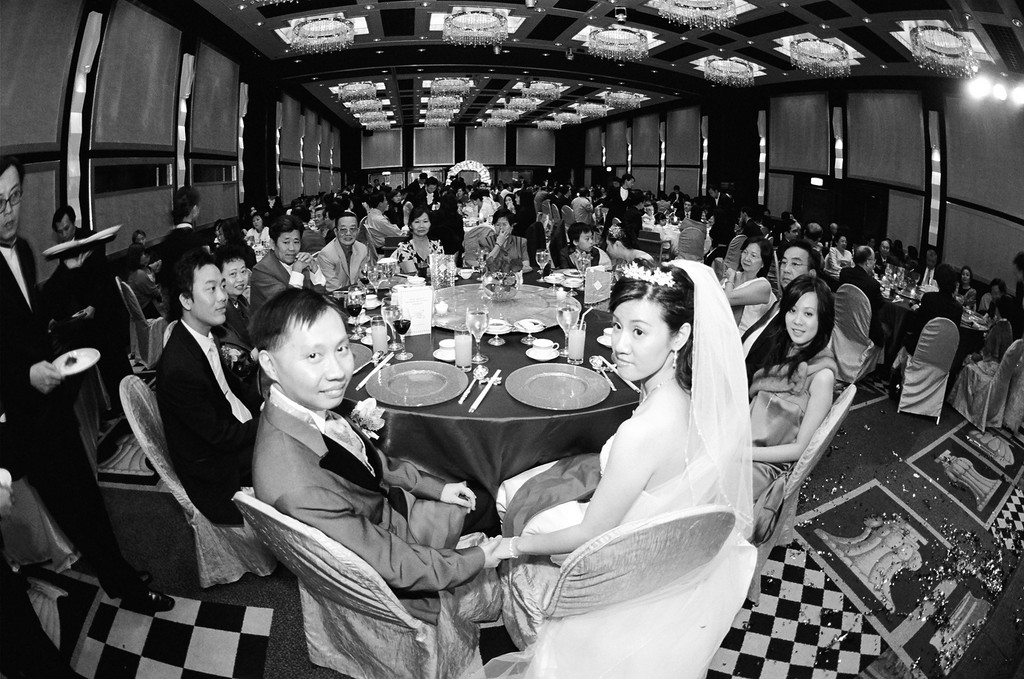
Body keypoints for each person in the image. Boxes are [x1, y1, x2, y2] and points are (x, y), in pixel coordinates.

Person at [488, 261, 755, 679]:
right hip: (666, 555)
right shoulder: (690, 395)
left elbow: (589, 533)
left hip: (619, 565)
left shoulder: (642, 432)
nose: (620, 345)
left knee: (515, 501)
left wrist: (512, 546)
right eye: (617, 325)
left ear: (680, 336)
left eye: (639, 332)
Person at [250, 289, 504, 624]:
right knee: (489, 503)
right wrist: (477, 558)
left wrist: (437, 488)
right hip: (392, 540)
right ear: (269, 363)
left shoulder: (298, 407)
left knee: (473, 491)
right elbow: (394, 564)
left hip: (385, 508)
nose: (338, 371)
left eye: (342, 349)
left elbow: (371, 462)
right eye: (313, 356)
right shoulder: (298, 486)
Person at [0, 155, 172, 615]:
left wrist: (69, 270)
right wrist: (24, 375)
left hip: (49, 407)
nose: (9, 212)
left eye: (15, 198)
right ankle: (114, 582)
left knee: (86, 501)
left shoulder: (22, 250)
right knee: (74, 506)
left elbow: (32, 314)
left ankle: (120, 580)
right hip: (17, 419)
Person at [158, 249, 262, 525]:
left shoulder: (206, 334)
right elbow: (222, 437)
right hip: (217, 471)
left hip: (233, 428)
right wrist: (269, 420)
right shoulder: (180, 369)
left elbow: (232, 392)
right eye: (211, 289)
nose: (223, 296)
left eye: (221, 286)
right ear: (186, 300)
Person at [747, 276, 836, 501]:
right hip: (745, 445)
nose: (797, 321)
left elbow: (800, 449)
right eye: (792, 310)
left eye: (808, 314)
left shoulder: (822, 376)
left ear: (823, 318)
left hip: (764, 469)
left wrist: (742, 453)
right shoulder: (786, 348)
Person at [743, 240, 824, 369]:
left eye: (795, 264)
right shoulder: (779, 304)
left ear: (811, 274)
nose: (786, 270)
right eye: (784, 263)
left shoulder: (801, 319)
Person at [250, 214, 326, 314]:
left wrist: (314, 270)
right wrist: (297, 272)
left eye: (296, 242)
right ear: (272, 244)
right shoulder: (261, 271)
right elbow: (289, 308)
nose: (292, 248)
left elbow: (320, 299)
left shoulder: (300, 262)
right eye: (286, 242)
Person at [901, 263, 963, 355]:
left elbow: (918, 325)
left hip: (920, 349)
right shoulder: (958, 308)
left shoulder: (929, 298)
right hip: (941, 354)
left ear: (937, 281)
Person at [156, 186, 207, 294]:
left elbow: (164, 281)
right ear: (194, 210)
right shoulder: (197, 242)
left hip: (174, 300)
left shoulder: (166, 242)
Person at [724, 237, 775, 334]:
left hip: (744, 338)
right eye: (745, 252)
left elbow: (727, 299)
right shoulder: (733, 275)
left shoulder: (763, 285)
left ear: (763, 263)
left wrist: (730, 279)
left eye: (753, 255)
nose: (746, 258)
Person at [838, 246, 885, 345]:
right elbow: (880, 304)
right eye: (873, 260)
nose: (874, 263)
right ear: (867, 262)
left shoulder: (844, 273)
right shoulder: (873, 284)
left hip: (842, 322)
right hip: (864, 330)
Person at [319, 208, 371, 293]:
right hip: (336, 297)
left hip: (358, 295)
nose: (348, 233)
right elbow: (334, 290)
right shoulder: (326, 254)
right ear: (336, 232)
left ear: (358, 231)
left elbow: (364, 279)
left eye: (352, 229)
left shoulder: (362, 249)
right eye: (343, 229)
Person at [214, 244, 254, 351]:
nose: (240, 279)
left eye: (243, 271)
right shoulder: (218, 309)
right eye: (233, 274)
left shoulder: (241, 301)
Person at [396, 206, 444, 276]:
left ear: (430, 224)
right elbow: (412, 274)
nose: (421, 226)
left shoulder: (436, 243)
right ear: (410, 225)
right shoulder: (404, 246)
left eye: (425, 221)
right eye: (417, 222)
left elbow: (442, 269)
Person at [125, 242, 166, 318]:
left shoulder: (132, 272)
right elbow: (155, 293)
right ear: (136, 257)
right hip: (149, 309)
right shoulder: (139, 274)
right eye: (143, 254)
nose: (147, 256)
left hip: (142, 308)